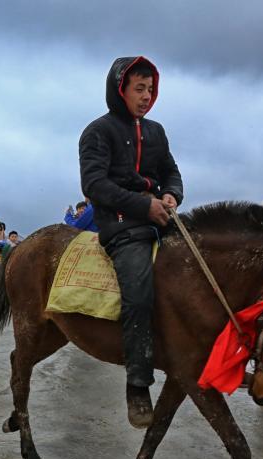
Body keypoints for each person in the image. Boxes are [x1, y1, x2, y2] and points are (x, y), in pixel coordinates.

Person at [79, 56, 184, 429]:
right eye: (139, 88)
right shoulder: (98, 131)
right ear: (120, 89)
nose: (146, 96)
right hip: (121, 225)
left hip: (161, 218)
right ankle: (138, 385)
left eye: (150, 89)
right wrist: (144, 205)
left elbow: (171, 172)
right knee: (139, 293)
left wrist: (171, 194)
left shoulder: (156, 131)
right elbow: (94, 185)